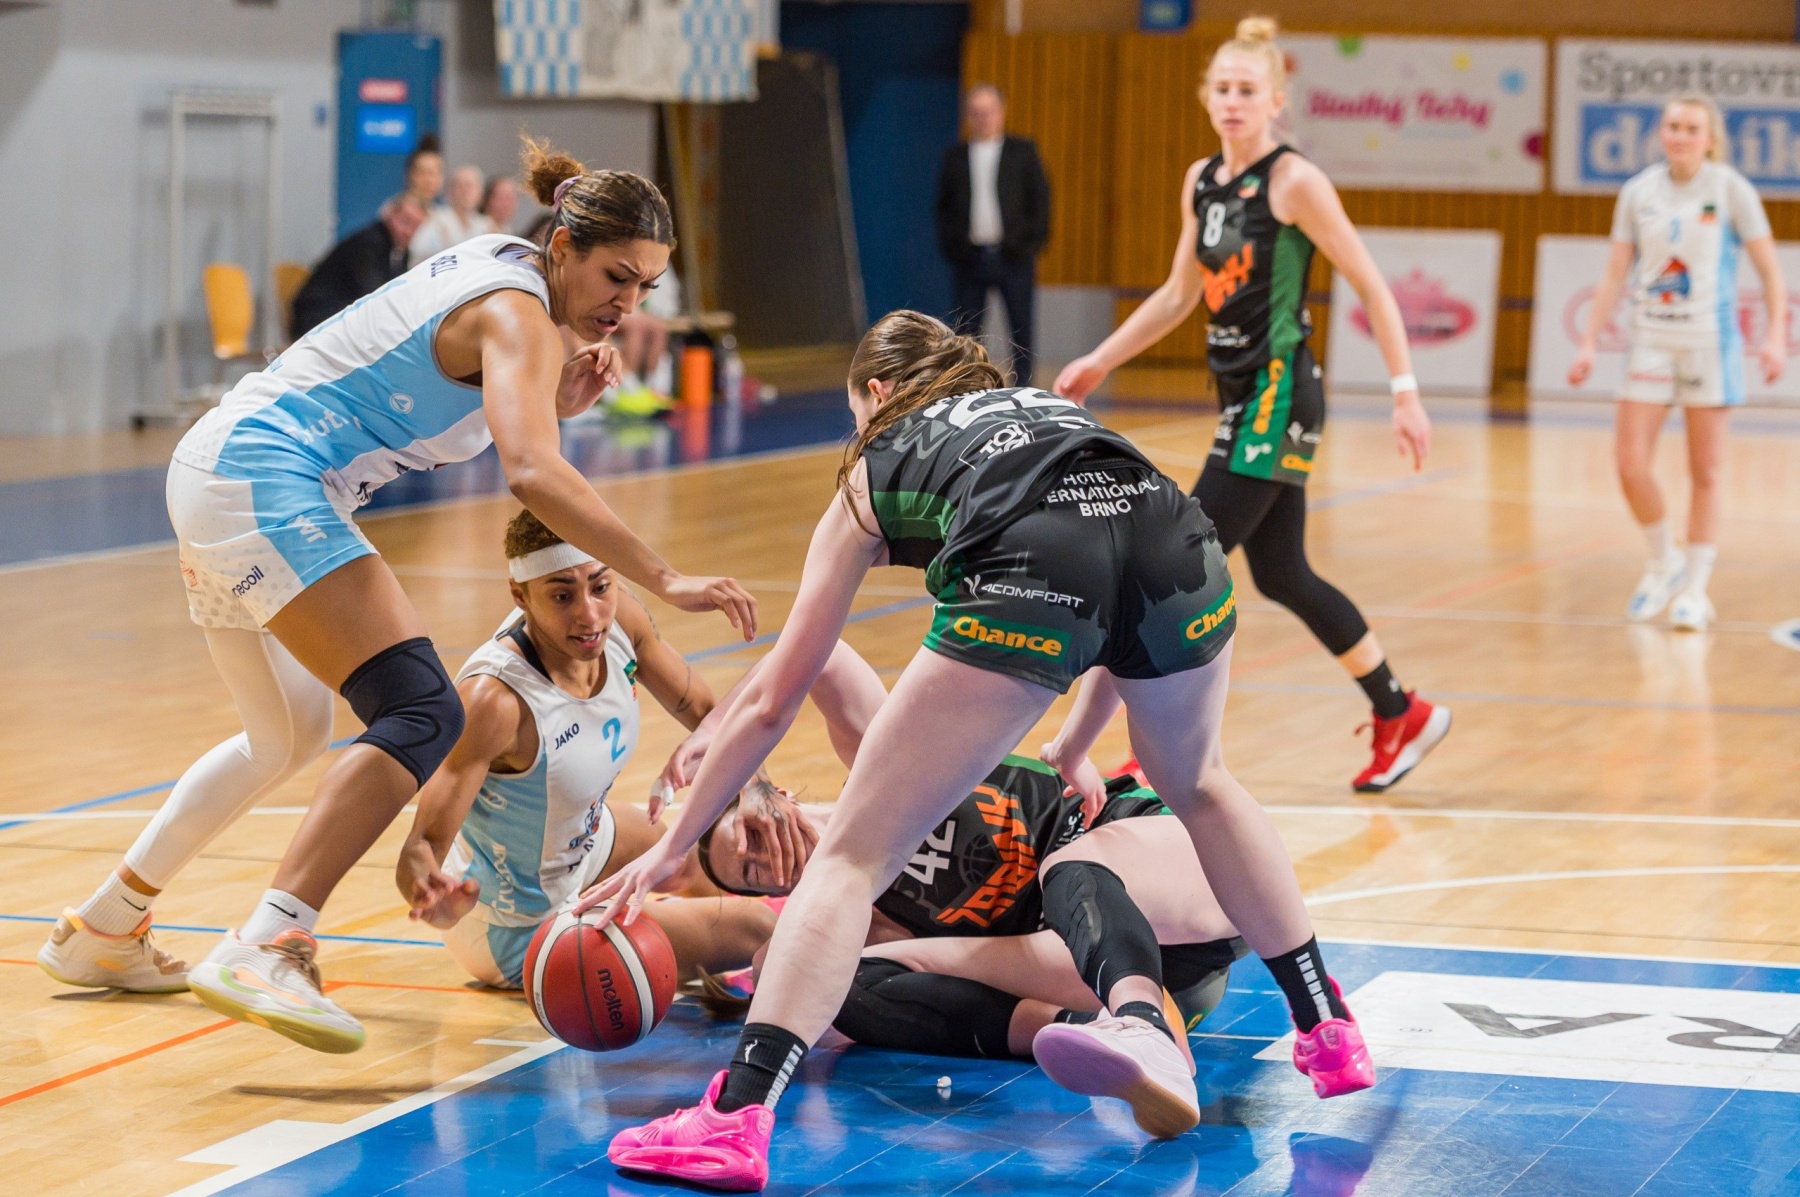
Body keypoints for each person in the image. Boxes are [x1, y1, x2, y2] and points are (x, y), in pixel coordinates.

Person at [581, 311, 1372, 1191]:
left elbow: (775, 696)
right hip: (1174, 535)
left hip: (1036, 569)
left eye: (855, 414)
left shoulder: (875, 463)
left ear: (877, 394)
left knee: (849, 862)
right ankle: (1326, 1025)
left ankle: (733, 1120)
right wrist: (1075, 741)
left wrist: (674, 845)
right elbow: (1116, 578)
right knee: (1203, 783)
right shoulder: (1045, 413)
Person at [35, 137, 757, 1056]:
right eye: (617, 276)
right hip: (264, 477)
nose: (628, 304)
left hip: (225, 470)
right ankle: (270, 940)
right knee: (420, 707)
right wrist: (666, 576)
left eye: (646, 287)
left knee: (286, 736)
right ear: (563, 245)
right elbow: (532, 471)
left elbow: (451, 393)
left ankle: (107, 925)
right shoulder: (521, 317)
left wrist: (553, 396)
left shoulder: (507, 271)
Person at [1055, 17, 1449, 794]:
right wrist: (1102, 357)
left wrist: (1406, 393)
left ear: (1276, 102)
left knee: (1172, 563)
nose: (1234, 102)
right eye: (1224, 90)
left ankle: (1151, 747)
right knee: (1282, 572)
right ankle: (1400, 711)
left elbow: (1371, 284)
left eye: (1248, 91)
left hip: (1279, 394)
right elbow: (1179, 294)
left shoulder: (1293, 181)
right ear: (1207, 99)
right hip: (1241, 396)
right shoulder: (1202, 180)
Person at [396, 510, 791, 988]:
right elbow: (420, 847)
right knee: (757, 928)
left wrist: (758, 789)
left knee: (701, 857)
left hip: (581, 845)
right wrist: (434, 901)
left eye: (600, 586)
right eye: (562, 596)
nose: (589, 614)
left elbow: (706, 711)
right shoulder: (494, 701)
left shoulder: (620, 619)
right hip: (513, 927)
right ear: (520, 595)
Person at [1568, 94, 1786, 632]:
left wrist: (1776, 335)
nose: (1680, 136)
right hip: (1649, 339)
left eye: (1691, 128)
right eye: (1672, 126)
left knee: (1705, 470)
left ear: (1709, 139)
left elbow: (1770, 272)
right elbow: (1615, 273)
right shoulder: (1638, 191)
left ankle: (1695, 589)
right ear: (1661, 133)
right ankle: (1664, 559)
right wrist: (1589, 341)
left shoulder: (1730, 189)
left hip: (1709, 343)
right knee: (1629, 464)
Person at [936, 84, 1051, 386]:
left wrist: (1031, 243)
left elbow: (1040, 201)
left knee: (1021, 329)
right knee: (967, 332)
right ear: (967, 116)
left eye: (988, 112)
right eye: (976, 112)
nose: (983, 118)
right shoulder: (955, 157)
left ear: (1001, 112)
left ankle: (1023, 388)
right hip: (970, 258)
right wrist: (954, 247)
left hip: (1013, 256)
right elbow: (943, 207)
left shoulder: (1022, 152)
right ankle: (967, 386)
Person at [288, 193, 427, 338]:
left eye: (415, 227)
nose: (408, 232)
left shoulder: (400, 250)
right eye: (405, 221)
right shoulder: (368, 243)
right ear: (389, 214)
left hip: (342, 318)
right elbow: (374, 296)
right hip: (318, 318)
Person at [411, 164, 498, 267]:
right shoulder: (435, 219)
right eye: (459, 186)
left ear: (480, 192)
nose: (465, 191)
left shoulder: (486, 225)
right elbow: (419, 254)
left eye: (470, 185)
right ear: (449, 191)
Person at [404, 134, 445, 211]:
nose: (429, 180)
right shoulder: (396, 213)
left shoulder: (438, 212)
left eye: (433, 174)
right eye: (423, 173)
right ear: (409, 176)